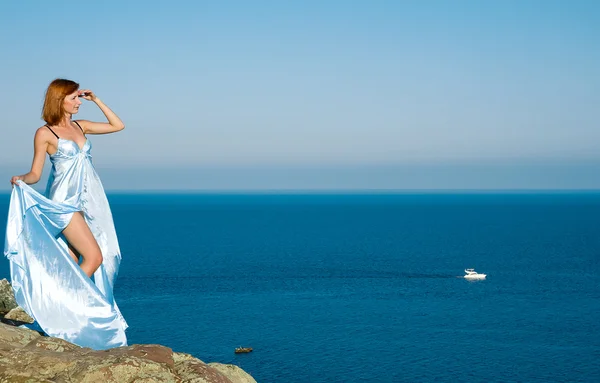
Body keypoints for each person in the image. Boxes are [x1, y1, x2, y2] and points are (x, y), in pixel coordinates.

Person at [4, 78, 128, 349]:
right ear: (59, 100)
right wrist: (21, 179)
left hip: (90, 203)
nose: (79, 102)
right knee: (95, 257)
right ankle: (66, 310)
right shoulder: (45, 133)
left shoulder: (80, 127)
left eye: (80, 97)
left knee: (74, 264)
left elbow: (118, 126)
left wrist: (97, 100)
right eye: (74, 97)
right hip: (64, 205)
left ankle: (65, 323)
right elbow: (35, 173)